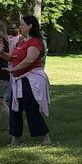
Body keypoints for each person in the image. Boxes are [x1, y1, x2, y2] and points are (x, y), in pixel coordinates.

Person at [7, 14, 51, 145]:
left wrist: (14, 70)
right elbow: (13, 58)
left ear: (30, 26)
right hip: (18, 79)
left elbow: (30, 60)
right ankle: (15, 139)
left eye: (22, 25)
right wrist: (2, 53)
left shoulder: (35, 42)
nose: (20, 27)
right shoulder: (22, 42)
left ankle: (45, 138)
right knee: (15, 108)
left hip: (31, 79)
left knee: (31, 107)